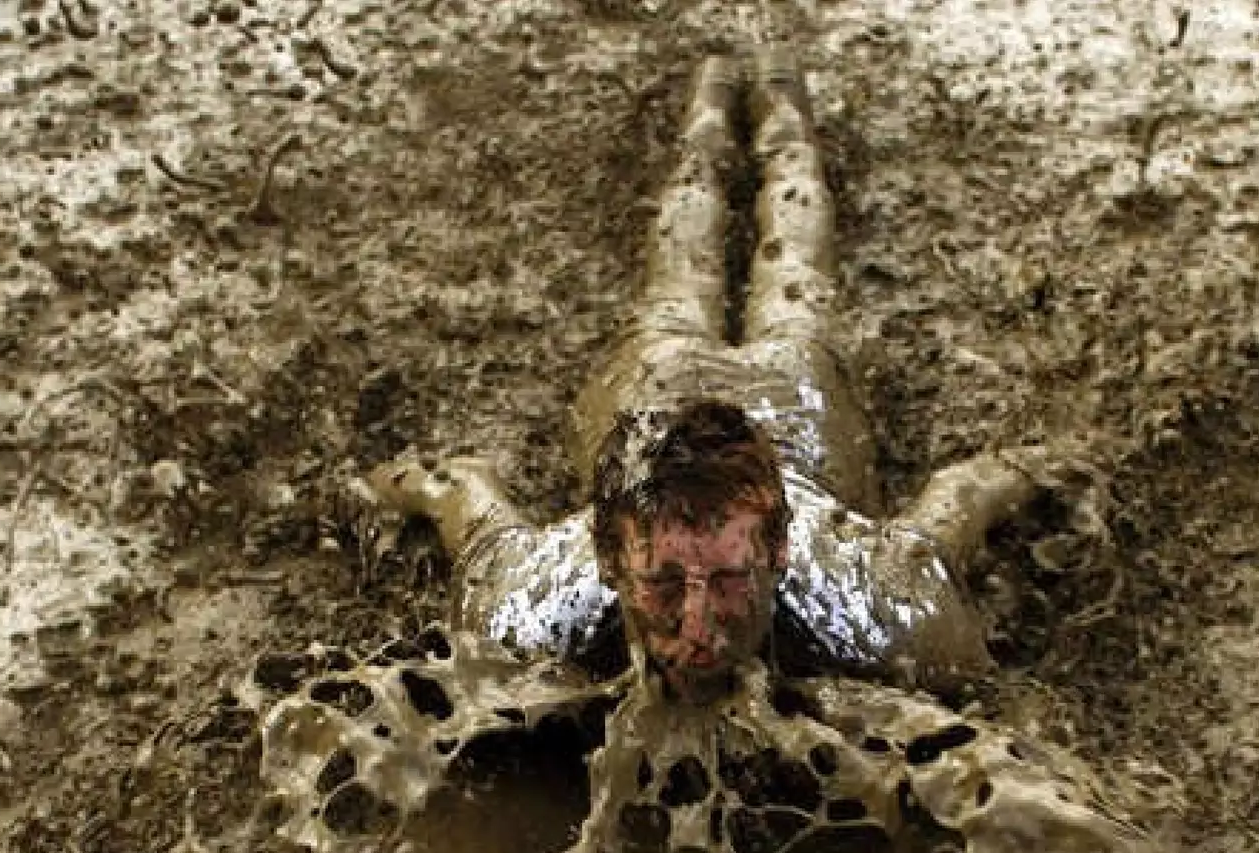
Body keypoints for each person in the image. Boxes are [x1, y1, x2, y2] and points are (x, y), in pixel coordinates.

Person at [367, 50, 1103, 706]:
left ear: (779, 552)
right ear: (610, 561)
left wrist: (1042, 471)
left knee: (798, 274)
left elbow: (958, 504)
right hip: (658, 383)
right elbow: (456, 489)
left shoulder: (878, 610)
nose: (699, 629)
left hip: (794, 401)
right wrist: (375, 486)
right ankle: (708, 119)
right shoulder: (527, 612)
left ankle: (787, 111)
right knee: (679, 272)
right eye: (662, 587)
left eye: (727, 583)